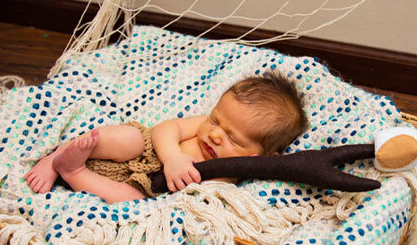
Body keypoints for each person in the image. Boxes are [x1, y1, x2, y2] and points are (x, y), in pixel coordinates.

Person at [25, 71, 308, 203]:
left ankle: (73, 171)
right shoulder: (202, 128)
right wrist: (172, 157)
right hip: (146, 151)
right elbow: (165, 129)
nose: (215, 134)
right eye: (215, 119)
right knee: (128, 138)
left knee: (128, 199)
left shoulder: (233, 181)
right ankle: (55, 157)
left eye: (233, 139)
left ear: (261, 158)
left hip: (145, 186)